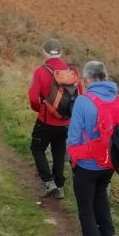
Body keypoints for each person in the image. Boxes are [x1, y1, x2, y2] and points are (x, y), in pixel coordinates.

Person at [67, 61, 119, 236]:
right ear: (105, 77)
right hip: (109, 164)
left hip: (86, 165)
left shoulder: (83, 101)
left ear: (87, 79)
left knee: (86, 211)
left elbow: (74, 136)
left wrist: (72, 159)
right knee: (101, 200)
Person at [28, 38, 80, 199]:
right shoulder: (72, 72)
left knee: (37, 149)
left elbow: (33, 97)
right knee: (59, 152)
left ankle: (49, 182)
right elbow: (81, 96)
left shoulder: (41, 71)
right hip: (66, 122)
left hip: (46, 120)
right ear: (61, 53)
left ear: (44, 52)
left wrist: (41, 109)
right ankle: (60, 186)